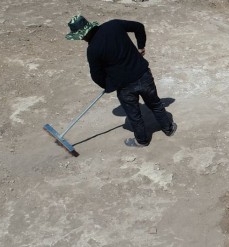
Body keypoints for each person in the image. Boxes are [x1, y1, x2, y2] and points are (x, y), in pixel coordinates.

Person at [65, 15, 176, 148]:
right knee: (155, 104)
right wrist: (141, 46)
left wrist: (108, 85)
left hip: (125, 87)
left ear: (84, 33)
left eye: (81, 36)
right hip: (143, 75)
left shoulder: (93, 49)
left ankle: (142, 141)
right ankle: (169, 129)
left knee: (134, 115)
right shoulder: (114, 25)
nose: (82, 39)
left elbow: (96, 75)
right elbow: (139, 27)